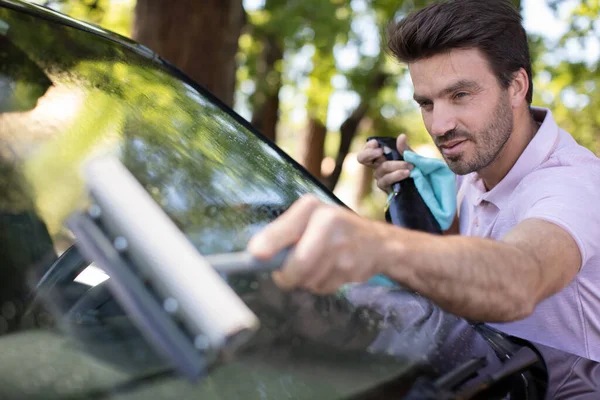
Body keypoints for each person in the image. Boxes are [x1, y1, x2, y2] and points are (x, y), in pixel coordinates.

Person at [247, 0, 600, 367]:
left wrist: (381, 244)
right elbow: (460, 281)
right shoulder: (474, 170)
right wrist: (412, 203)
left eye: (460, 95)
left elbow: (521, 277)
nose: (439, 126)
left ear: (516, 86)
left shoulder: (575, 184)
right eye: (427, 103)